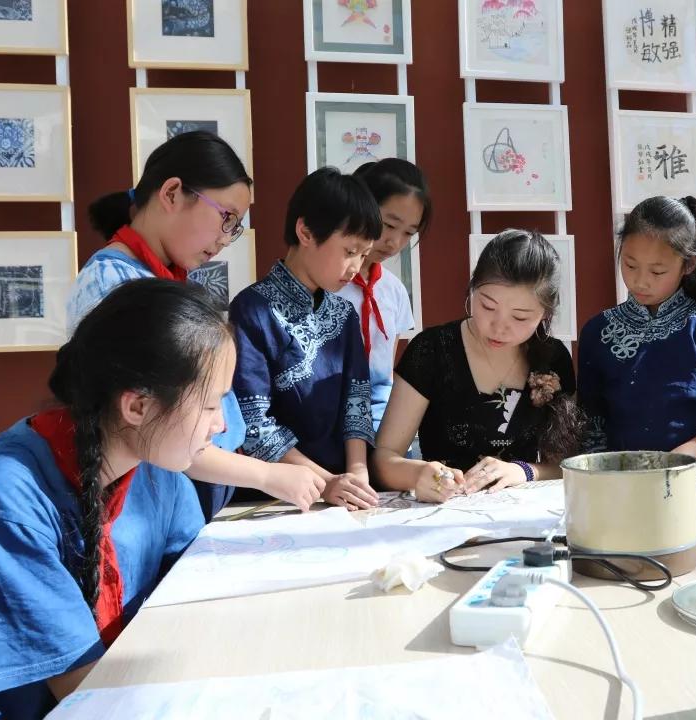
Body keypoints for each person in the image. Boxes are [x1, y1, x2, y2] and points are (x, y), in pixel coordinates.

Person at [0, 280, 231, 718]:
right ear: (138, 407)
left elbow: (197, 596)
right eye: (210, 405)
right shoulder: (2, 498)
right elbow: (83, 690)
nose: (220, 425)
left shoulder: (158, 470)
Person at [68, 130, 325, 519]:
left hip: (182, 495)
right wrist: (270, 475)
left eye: (235, 227)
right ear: (171, 193)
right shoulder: (112, 286)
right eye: (226, 218)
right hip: (144, 504)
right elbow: (157, 425)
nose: (227, 239)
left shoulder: (163, 280)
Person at [374, 230, 581, 501]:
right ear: (472, 289)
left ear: (545, 313)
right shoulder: (432, 350)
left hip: (524, 515)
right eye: (487, 306)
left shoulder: (553, 358)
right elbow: (383, 459)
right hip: (444, 509)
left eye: (520, 318)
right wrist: (419, 474)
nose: (499, 327)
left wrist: (524, 472)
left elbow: (571, 466)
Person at [230, 168, 381, 510]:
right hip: (273, 496)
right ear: (306, 232)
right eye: (349, 250)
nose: (357, 266)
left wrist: (357, 471)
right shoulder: (252, 310)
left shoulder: (344, 314)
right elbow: (253, 425)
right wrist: (325, 483)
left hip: (344, 491)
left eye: (364, 255)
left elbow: (357, 401)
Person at [578, 195, 696, 469]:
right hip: (619, 480)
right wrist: (603, 470)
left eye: (657, 271)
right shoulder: (597, 331)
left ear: (689, 264)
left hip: (694, 476)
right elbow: (590, 420)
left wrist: (681, 458)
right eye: (630, 264)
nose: (640, 280)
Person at [336, 159, 431, 432]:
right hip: (328, 419)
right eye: (389, 225)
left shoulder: (394, 290)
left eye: (408, 233)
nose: (395, 243)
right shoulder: (329, 283)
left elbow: (385, 376)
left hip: (381, 423)